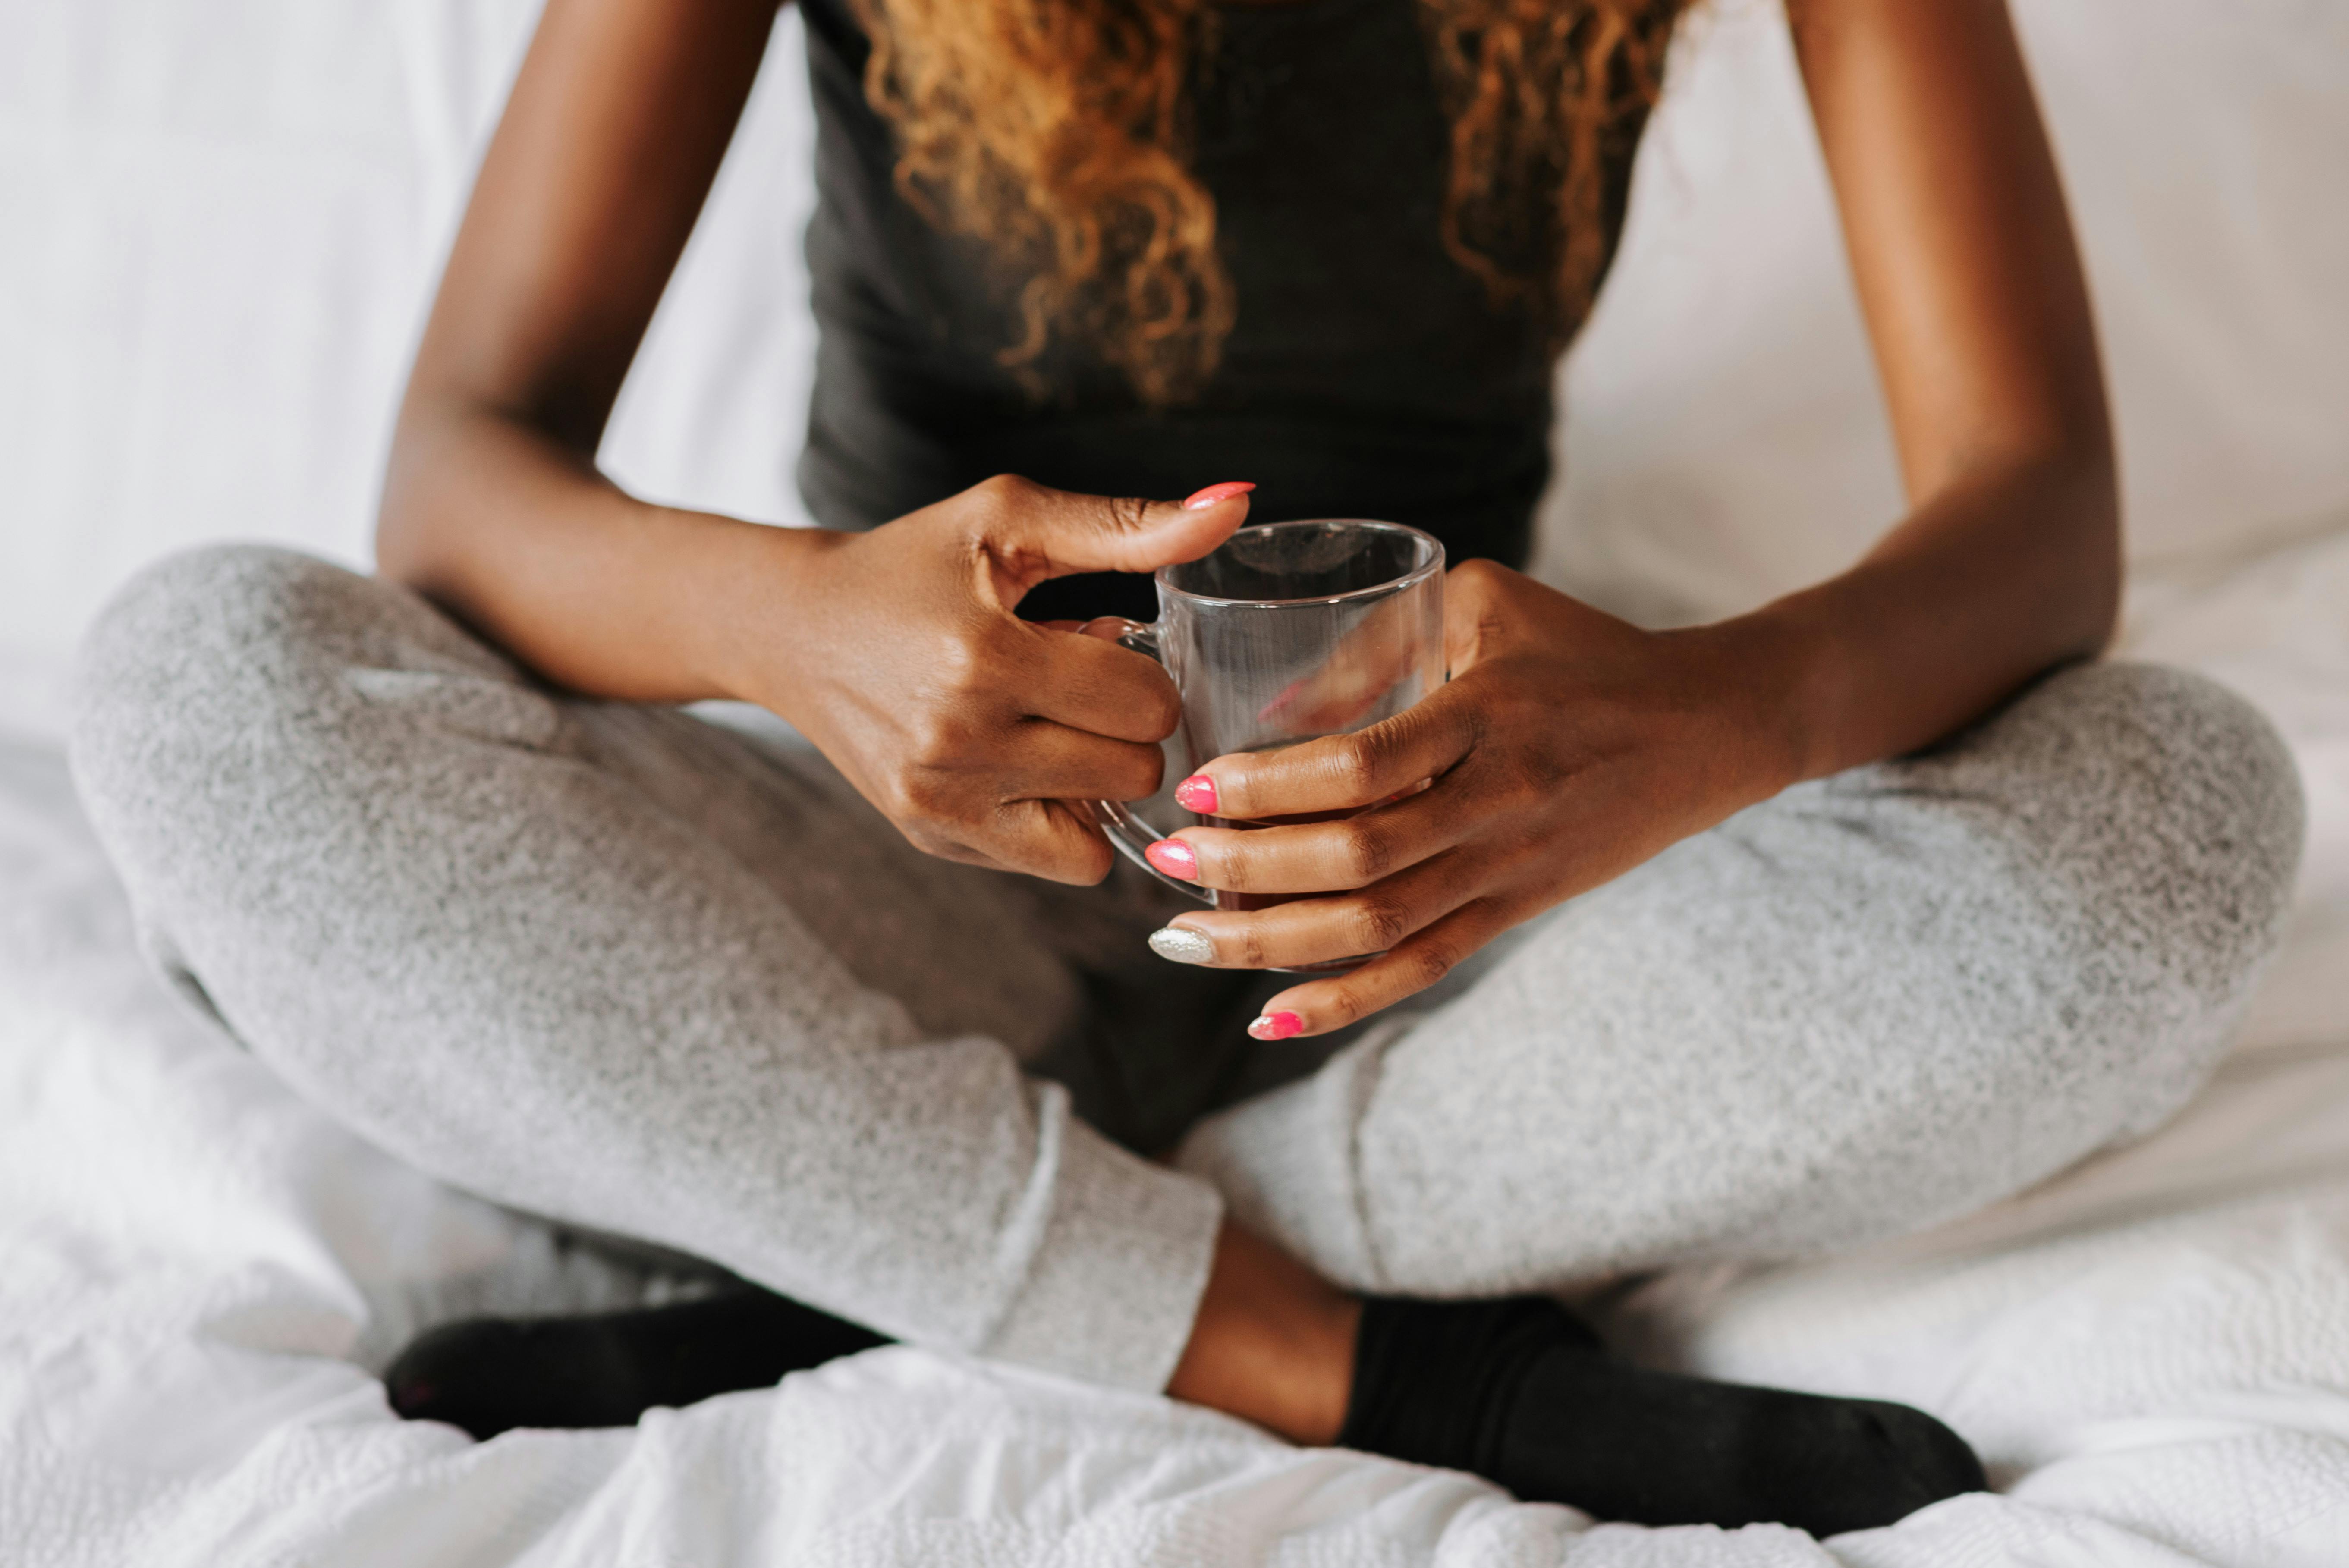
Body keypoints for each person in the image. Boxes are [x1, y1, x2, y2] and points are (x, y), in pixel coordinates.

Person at [69, 0, 2302, 1537]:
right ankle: (1334, 1347)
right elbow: (457, 483)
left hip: (1431, 912)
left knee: (2170, 818)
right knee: (200, 686)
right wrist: (797, 628)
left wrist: (1707, 717)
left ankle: (876, 1227)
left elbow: (2031, 509)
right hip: (895, 883)